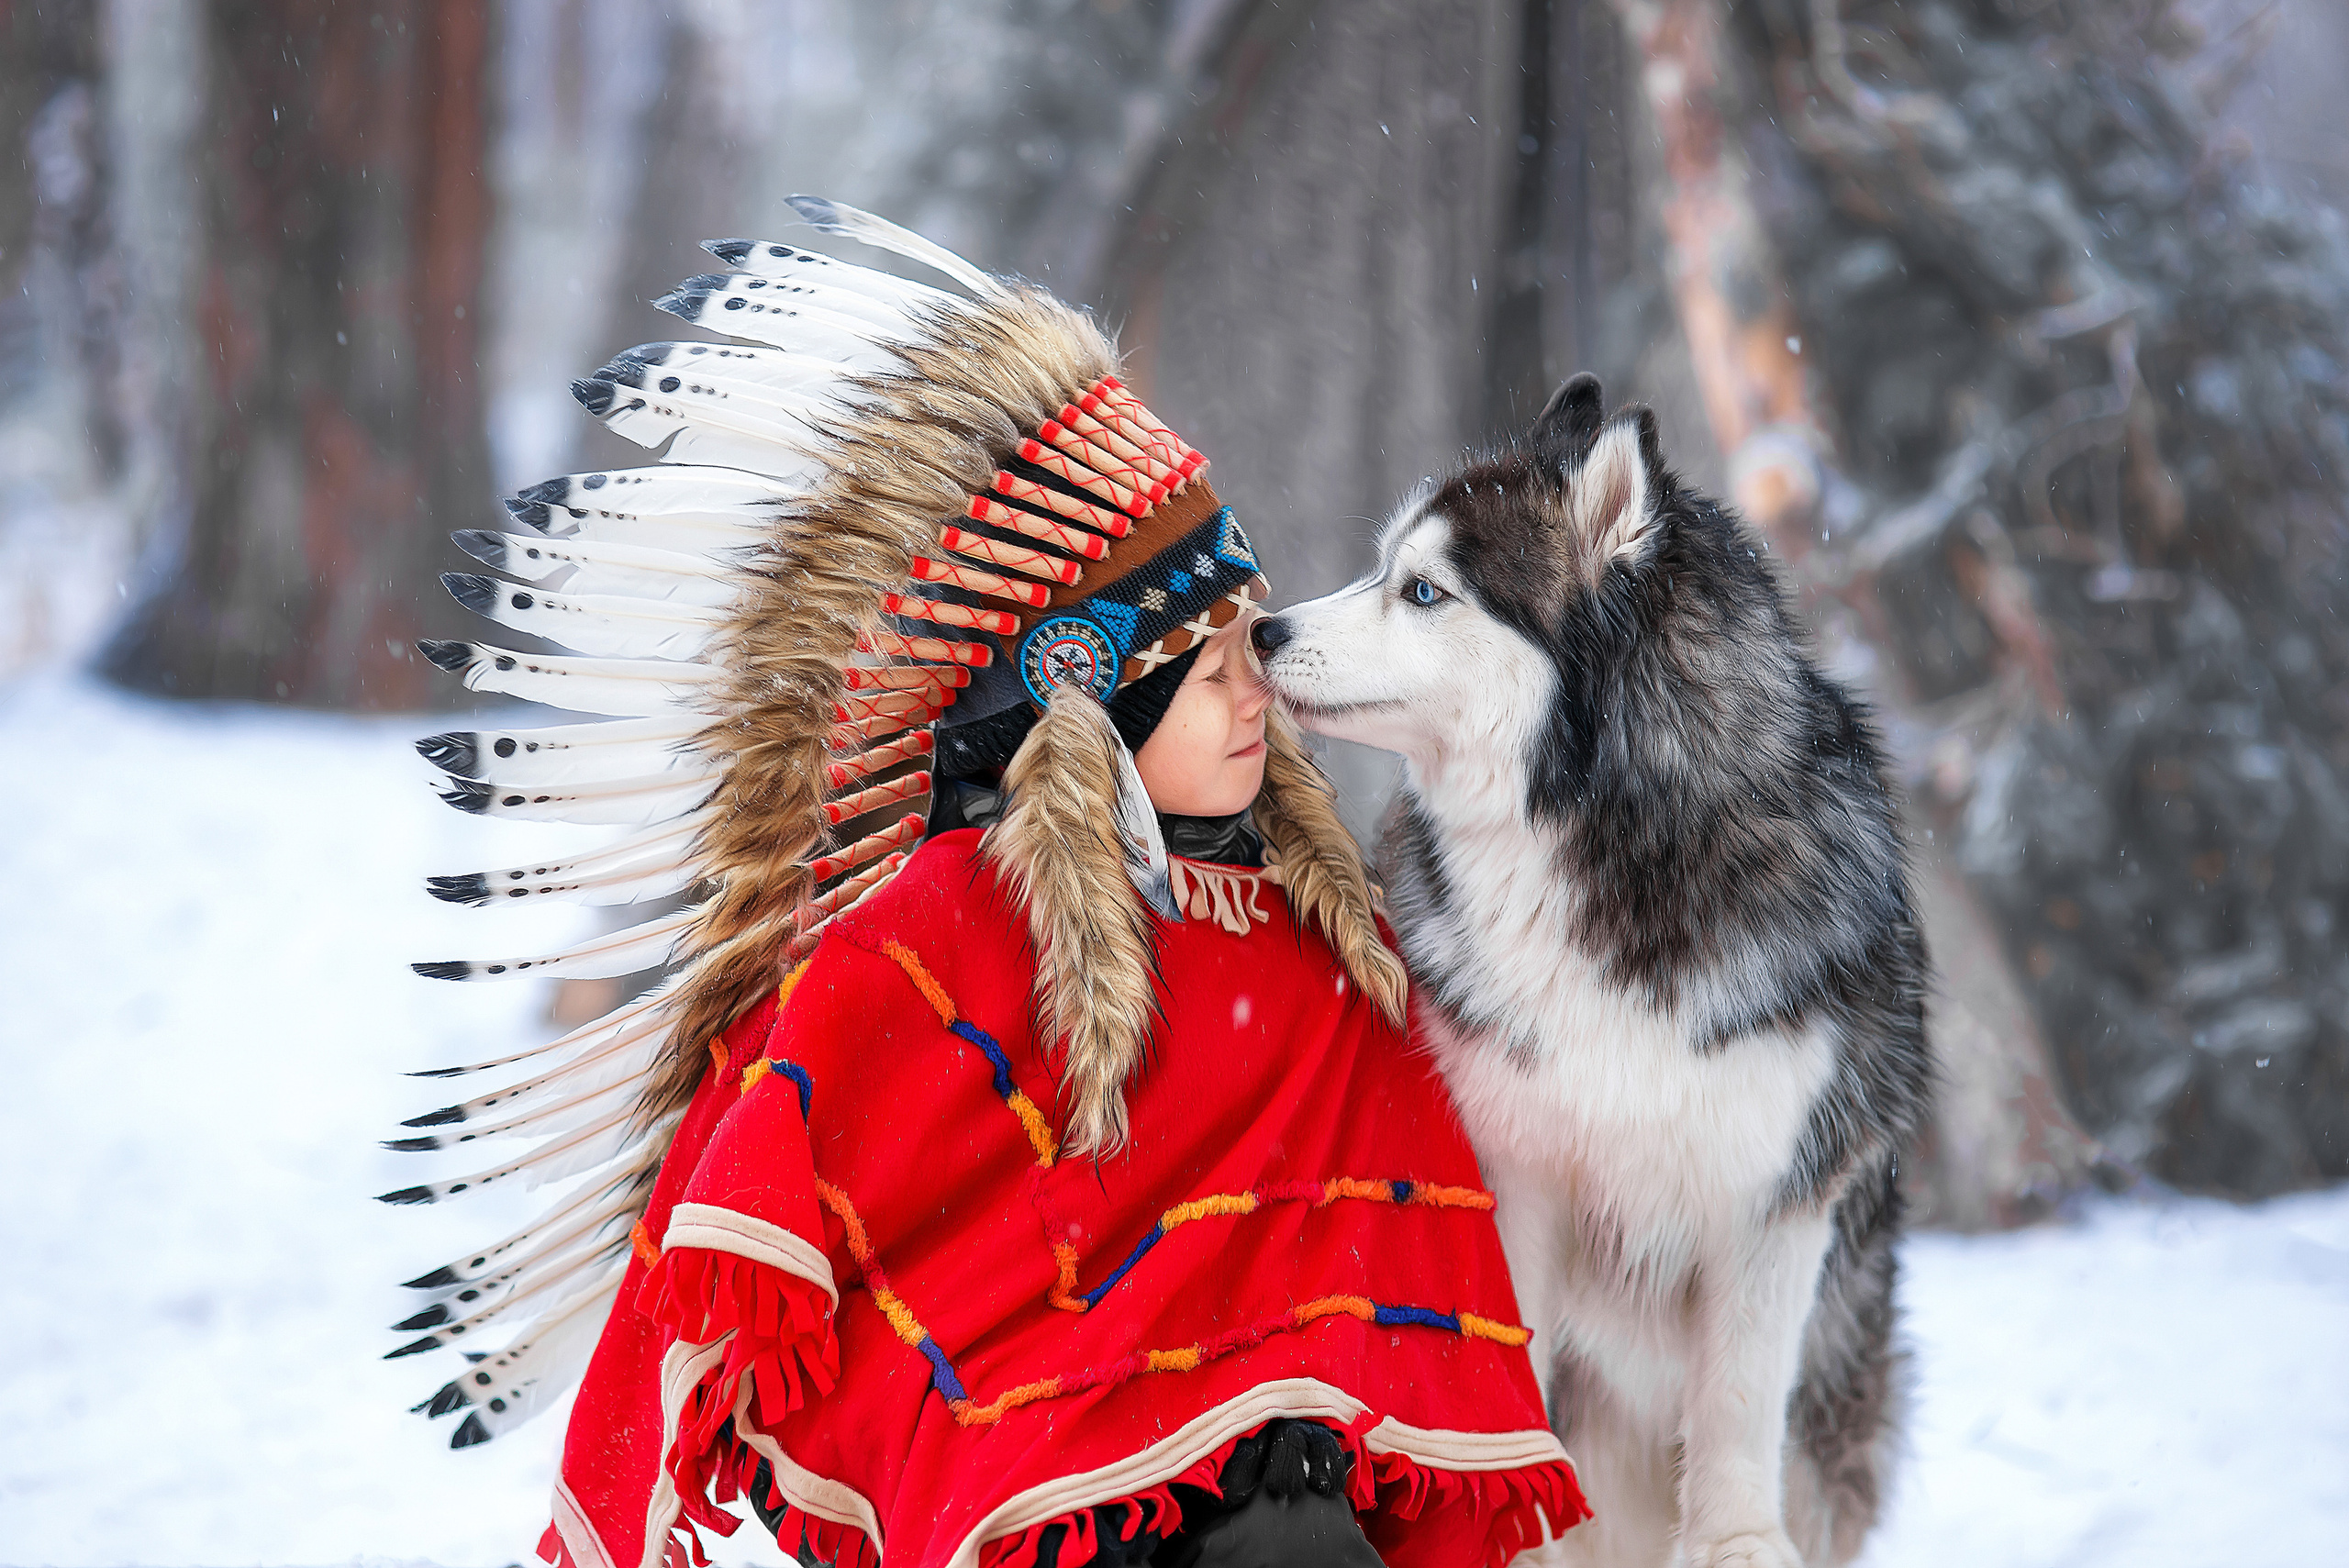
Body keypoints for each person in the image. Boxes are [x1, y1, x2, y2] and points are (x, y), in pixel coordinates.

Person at [384, 201, 1584, 1568]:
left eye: (1254, 646)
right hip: (1040, 1483)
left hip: (1291, 1493)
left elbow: (1392, 1213)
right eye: (1206, 671)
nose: (1260, 690)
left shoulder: (1321, 937)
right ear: (1095, 709)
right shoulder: (955, 924)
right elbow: (799, 1135)